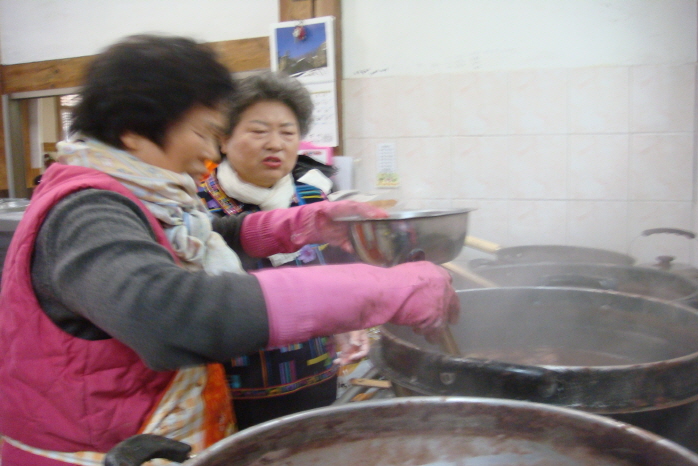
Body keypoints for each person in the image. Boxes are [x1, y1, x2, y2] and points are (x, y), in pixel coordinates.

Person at [0, 34, 458, 466]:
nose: (207, 155)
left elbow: (211, 235)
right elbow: (173, 315)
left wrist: (304, 223)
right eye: (203, 133)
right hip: (90, 450)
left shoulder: (134, 195)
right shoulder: (85, 211)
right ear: (132, 129)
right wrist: (378, 290)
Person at [199, 72, 367, 429]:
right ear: (224, 139)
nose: (275, 144)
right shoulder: (198, 210)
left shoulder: (313, 200)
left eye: (288, 133)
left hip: (317, 383)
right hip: (231, 398)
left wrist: (349, 323)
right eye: (259, 131)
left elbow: (338, 278)